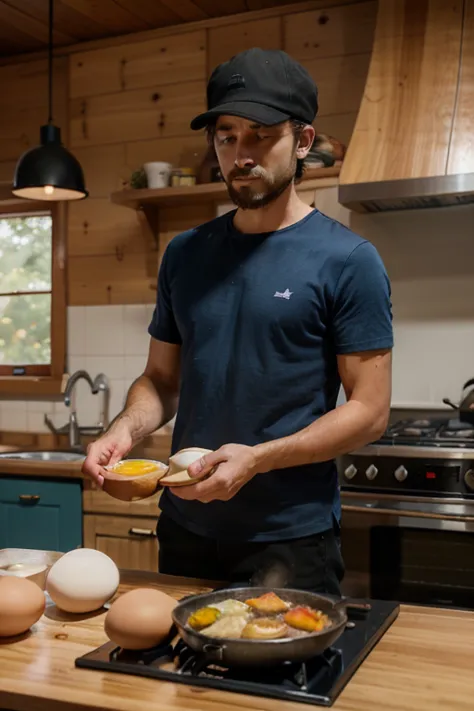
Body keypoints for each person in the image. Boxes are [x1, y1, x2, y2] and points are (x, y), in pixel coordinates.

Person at [82, 48, 393, 595]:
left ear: (302, 141)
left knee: (281, 677)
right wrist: (122, 431)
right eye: (227, 136)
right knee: (173, 675)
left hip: (291, 539)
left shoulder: (348, 261)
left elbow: (369, 411)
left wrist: (257, 460)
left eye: (260, 135)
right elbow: (162, 381)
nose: (240, 154)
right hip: (185, 525)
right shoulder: (185, 254)